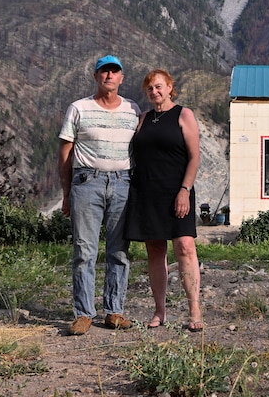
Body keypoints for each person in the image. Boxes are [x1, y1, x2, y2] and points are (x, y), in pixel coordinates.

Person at [58, 55, 140, 335]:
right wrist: (66, 191)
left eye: (114, 71)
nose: (109, 76)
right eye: (104, 71)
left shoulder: (133, 109)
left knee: (119, 250)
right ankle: (84, 314)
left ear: (121, 77)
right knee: (84, 250)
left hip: (123, 183)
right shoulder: (78, 108)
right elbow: (65, 153)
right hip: (87, 182)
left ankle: (114, 311)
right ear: (96, 77)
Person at [125, 69, 204, 332]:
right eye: (150, 88)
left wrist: (185, 190)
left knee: (184, 247)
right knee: (155, 251)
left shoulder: (184, 115)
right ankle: (160, 311)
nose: (154, 92)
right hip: (147, 192)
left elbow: (194, 157)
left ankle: (195, 310)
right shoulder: (143, 119)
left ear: (170, 87)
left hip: (176, 191)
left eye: (159, 87)